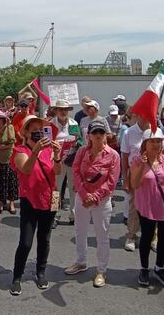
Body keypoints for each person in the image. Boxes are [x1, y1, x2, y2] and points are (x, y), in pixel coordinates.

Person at [64, 120, 120, 288]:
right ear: (89, 135)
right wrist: (83, 194)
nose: (98, 136)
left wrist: (94, 196)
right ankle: (81, 262)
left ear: (105, 135)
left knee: (102, 236)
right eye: (94, 133)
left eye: (101, 133)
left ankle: (101, 270)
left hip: (101, 201)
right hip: (83, 197)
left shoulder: (113, 155)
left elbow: (112, 181)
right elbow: (75, 171)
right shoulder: (82, 151)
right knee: (80, 231)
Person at [10, 115, 62, 295]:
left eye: (41, 130)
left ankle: (41, 272)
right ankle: (17, 276)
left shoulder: (48, 150)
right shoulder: (20, 150)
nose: (38, 134)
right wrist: (35, 152)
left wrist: (56, 156)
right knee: (25, 242)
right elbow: (25, 169)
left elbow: (57, 171)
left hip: (50, 198)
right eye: (34, 131)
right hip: (30, 200)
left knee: (45, 238)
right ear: (26, 133)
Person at [130, 128, 164, 288]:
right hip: (146, 206)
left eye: (158, 141)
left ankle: (160, 267)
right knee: (146, 237)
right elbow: (135, 184)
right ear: (145, 144)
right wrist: (143, 165)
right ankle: (144, 268)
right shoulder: (137, 161)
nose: (155, 144)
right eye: (151, 141)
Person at [49, 99, 81, 225]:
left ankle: (73, 215)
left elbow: (79, 141)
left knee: (73, 189)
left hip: (71, 160)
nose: (63, 112)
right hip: (56, 160)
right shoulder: (50, 124)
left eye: (65, 109)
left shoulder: (73, 123)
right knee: (56, 189)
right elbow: (46, 142)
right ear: (56, 110)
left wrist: (74, 145)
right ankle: (54, 215)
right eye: (61, 109)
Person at [121, 113, 149, 251]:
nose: (147, 117)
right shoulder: (128, 133)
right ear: (138, 116)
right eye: (144, 114)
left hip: (152, 174)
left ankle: (152, 236)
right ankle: (131, 236)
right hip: (135, 173)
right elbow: (124, 158)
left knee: (153, 206)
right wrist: (125, 180)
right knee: (134, 206)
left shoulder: (156, 131)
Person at [0, 110, 17, 214]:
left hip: (9, 158)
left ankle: (11, 203)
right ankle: (1, 202)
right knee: (0, 182)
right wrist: (4, 146)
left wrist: (8, 126)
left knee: (11, 181)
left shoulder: (10, 127)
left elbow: (12, 141)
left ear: (3, 119)